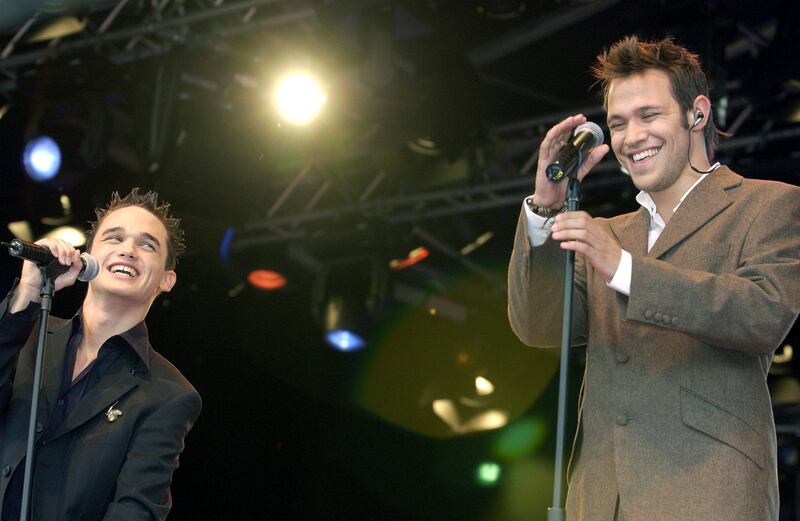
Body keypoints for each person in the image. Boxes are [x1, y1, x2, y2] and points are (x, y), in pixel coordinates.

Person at [508, 35, 800, 521]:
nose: (631, 137)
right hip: (601, 499)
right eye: (618, 123)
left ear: (697, 113)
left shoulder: (767, 204)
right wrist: (544, 209)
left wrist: (626, 270)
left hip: (708, 492)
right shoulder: (608, 233)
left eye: (649, 116)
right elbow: (539, 326)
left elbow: (762, 315)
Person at [0, 188, 202, 520]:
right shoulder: (26, 332)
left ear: (166, 280)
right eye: (114, 238)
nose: (128, 251)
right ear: (87, 260)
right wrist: (28, 293)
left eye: (147, 245)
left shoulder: (167, 393)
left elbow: (136, 509)